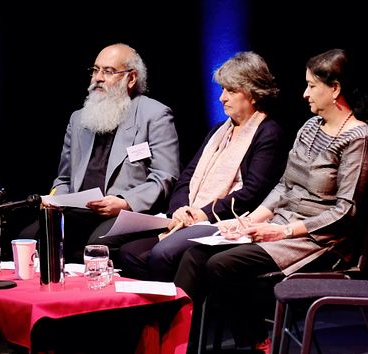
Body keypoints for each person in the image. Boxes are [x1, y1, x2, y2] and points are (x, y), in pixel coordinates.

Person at [174, 48, 368, 354]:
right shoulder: (310, 127)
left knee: (222, 265)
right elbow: (285, 185)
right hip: (281, 227)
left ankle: (262, 350)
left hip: (319, 241)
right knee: (197, 254)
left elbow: (345, 212)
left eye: (312, 86)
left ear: (335, 89)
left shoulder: (360, 139)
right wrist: (251, 220)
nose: (304, 94)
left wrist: (282, 231)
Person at [117, 51, 287, 282]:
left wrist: (203, 213)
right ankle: (154, 314)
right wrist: (180, 208)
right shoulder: (219, 130)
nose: (222, 98)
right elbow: (187, 176)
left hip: (225, 221)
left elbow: (252, 192)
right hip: (192, 215)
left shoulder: (268, 133)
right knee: (130, 253)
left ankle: (176, 315)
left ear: (254, 94)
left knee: (162, 254)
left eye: (231, 90)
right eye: (222, 89)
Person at [26, 43, 180, 263]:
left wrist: (125, 202)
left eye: (108, 72)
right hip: (78, 210)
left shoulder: (154, 115)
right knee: (29, 237)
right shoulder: (79, 119)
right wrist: (55, 198)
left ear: (131, 78)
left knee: (96, 246)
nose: (98, 78)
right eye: (95, 70)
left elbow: (164, 176)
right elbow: (64, 177)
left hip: (126, 214)